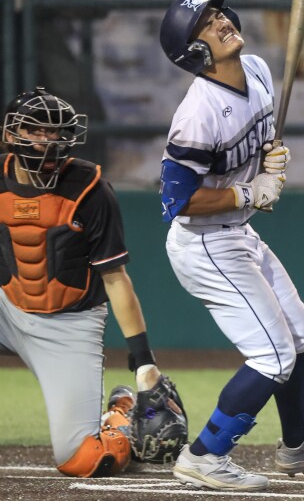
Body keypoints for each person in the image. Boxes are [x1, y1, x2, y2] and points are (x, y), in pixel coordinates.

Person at [158, 0, 304, 491]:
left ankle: (297, 445)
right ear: (193, 52)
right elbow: (178, 202)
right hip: (204, 242)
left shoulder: (257, 70)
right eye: (206, 24)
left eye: (219, 14)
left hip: (238, 231)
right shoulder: (197, 114)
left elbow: (260, 141)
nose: (222, 22)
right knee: (273, 354)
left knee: (299, 332)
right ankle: (204, 455)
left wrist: (270, 159)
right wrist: (248, 190)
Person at [0, 87, 179, 477]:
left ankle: (120, 414)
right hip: (6, 307)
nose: (49, 140)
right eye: (37, 131)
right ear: (11, 135)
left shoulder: (91, 189)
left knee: (83, 460)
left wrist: (143, 361)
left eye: (56, 132)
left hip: (69, 323)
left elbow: (115, 280)